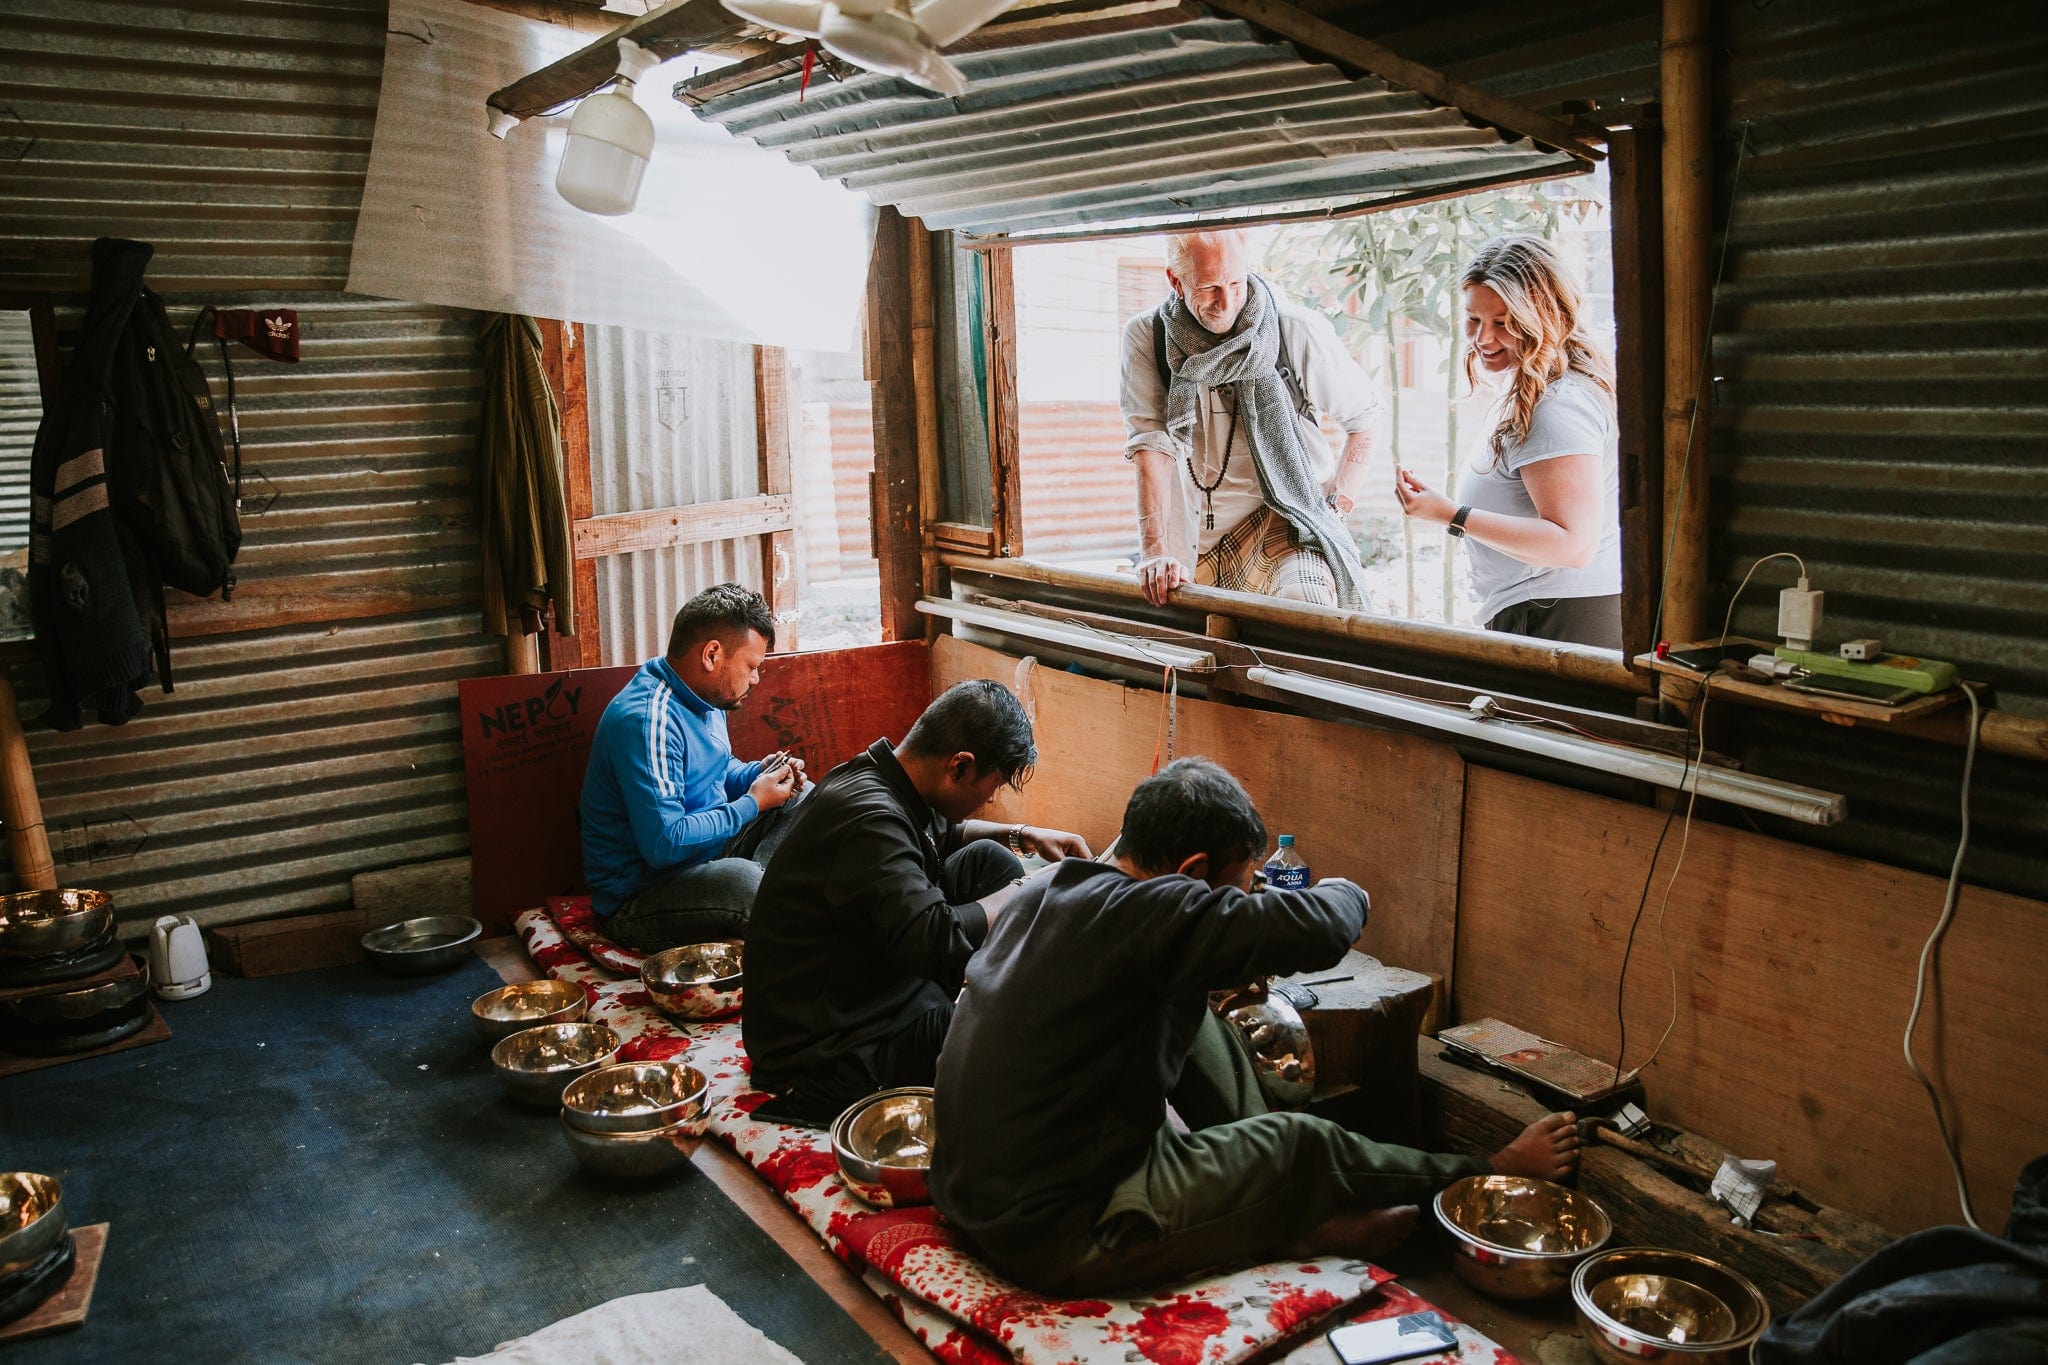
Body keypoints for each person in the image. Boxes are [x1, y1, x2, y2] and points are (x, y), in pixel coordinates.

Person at [931, 757, 1580, 1294]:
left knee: (1207, 1031)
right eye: (1242, 887)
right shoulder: (1151, 912)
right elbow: (1329, 922)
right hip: (1058, 1231)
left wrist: (1220, 939)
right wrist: (1350, 887)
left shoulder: (1056, 887)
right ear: (1188, 875)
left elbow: (1139, 983)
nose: (1247, 900)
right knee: (1304, 1145)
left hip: (976, 1188)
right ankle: (1478, 1171)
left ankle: (1267, 1209)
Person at [743, 680, 1091, 1125]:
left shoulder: (883, 773)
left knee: (991, 860)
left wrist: (1022, 834)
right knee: (1013, 1030)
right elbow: (935, 937)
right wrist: (1032, 887)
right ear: (960, 766)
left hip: (863, 976)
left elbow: (943, 833)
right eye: (994, 785)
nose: (991, 799)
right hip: (826, 1041)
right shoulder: (871, 819)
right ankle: (986, 999)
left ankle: (985, 990)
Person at [1122, 228, 1382, 610]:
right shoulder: (1147, 336)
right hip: (1195, 541)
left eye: (1236, 283)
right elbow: (1151, 447)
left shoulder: (1295, 329)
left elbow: (1366, 419)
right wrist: (1155, 551)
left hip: (1286, 520)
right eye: (1209, 287)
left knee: (1307, 608)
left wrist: (1338, 508)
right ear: (1175, 281)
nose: (1226, 302)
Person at [1393, 235, 1623, 649]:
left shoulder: (1558, 407)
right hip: (1546, 611)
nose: (1483, 338)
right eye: (1473, 319)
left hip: (1561, 617)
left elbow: (1573, 544)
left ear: (1544, 316)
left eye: (1503, 323)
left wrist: (1451, 514)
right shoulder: (1535, 390)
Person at [579, 583, 805, 953]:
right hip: (642, 896)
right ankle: (767, 907)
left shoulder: (705, 694)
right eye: (750, 666)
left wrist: (758, 776)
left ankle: (766, 908)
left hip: (706, 859)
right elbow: (665, 843)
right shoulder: (647, 721)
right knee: (745, 883)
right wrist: (752, 803)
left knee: (800, 799)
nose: (756, 679)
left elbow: (716, 771)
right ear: (712, 654)